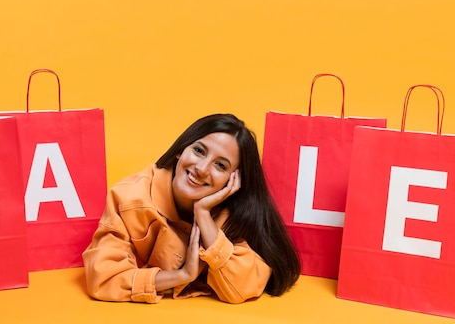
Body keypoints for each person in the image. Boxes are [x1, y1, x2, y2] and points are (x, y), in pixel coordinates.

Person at [82, 113, 300, 303]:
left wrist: (203, 215)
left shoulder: (233, 215)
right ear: (181, 151)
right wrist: (181, 276)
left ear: (233, 180)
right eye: (198, 151)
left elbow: (240, 287)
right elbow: (103, 278)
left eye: (220, 165)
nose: (202, 169)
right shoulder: (130, 197)